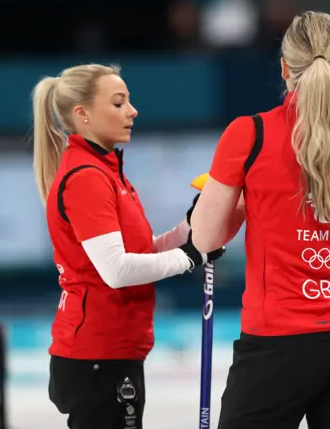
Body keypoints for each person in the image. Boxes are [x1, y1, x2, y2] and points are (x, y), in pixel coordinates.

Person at [190, 11, 330, 429]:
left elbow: (206, 238)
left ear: (285, 68)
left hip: (277, 345)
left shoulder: (250, 133)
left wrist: (254, 206)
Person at [32, 63, 225, 429]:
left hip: (111, 352)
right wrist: (189, 258)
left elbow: (142, 252)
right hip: (98, 356)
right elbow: (117, 270)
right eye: (119, 103)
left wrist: (192, 229)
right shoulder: (87, 177)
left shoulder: (106, 170)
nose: (132, 111)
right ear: (82, 114)